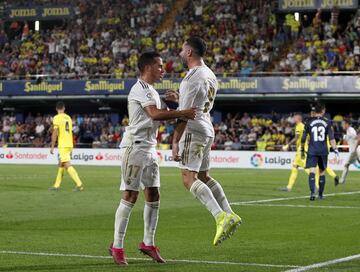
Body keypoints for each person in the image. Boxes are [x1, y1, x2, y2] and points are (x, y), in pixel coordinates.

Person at [109, 52, 196, 266]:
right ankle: (117, 246)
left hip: (149, 149)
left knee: (153, 193)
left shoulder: (152, 92)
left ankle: (148, 243)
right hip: (134, 148)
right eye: (159, 66)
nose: (163, 70)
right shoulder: (139, 89)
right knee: (130, 195)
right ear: (148, 67)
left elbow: (160, 114)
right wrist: (182, 111)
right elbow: (155, 115)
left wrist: (175, 107)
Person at [171, 36, 241, 247]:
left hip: (193, 130)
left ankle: (220, 216)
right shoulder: (209, 73)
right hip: (206, 127)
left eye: (183, 50)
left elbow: (186, 115)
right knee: (203, 175)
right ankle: (230, 213)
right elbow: (195, 104)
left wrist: (175, 141)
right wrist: (178, 100)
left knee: (188, 178)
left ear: (190, 52)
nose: (181, 53)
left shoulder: (192, 77)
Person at [301, 103, 339, 201]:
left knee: (312, 171)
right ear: (322, 111)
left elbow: (304, 138)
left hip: (312, 150)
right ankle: (321, 195)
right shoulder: (327, 122)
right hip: (323, 150)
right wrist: (335, 149)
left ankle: (312, 193)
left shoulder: (308, 121)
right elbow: (331, 138)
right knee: (322, 172)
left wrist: (301, 149)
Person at [49, 101, 84, 191]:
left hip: (63, 144)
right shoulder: (68, 117)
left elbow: (55, 132)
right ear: (64, 108)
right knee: (61, 163)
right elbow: (69, 131)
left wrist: (52, 146)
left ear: (56, 109)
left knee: (66, 164)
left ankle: (79, 184)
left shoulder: (56, 118)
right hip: (69, 143)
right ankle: (56, 185)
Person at [280, 113, 310, 192]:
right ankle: (289, 187)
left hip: (301, 149)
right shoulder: (303, 126)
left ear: (298, 119)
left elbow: (296, 138)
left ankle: (318, 184)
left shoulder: (299, 126)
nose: (293, 119)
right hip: (302, 149)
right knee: (295, 167)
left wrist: (287, 145)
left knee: (307, 168)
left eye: (294, 118)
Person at [339, 119, 360, 184]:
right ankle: (342, 180)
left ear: (347, 124)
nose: (342, 125)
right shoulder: (348, 131)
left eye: (343, 124)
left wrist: (355, 148)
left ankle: (342, 180)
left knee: (346, 165)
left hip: (356, 150)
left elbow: (356, 138)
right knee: (346, 165)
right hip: (353, 151)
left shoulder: (351, 130)